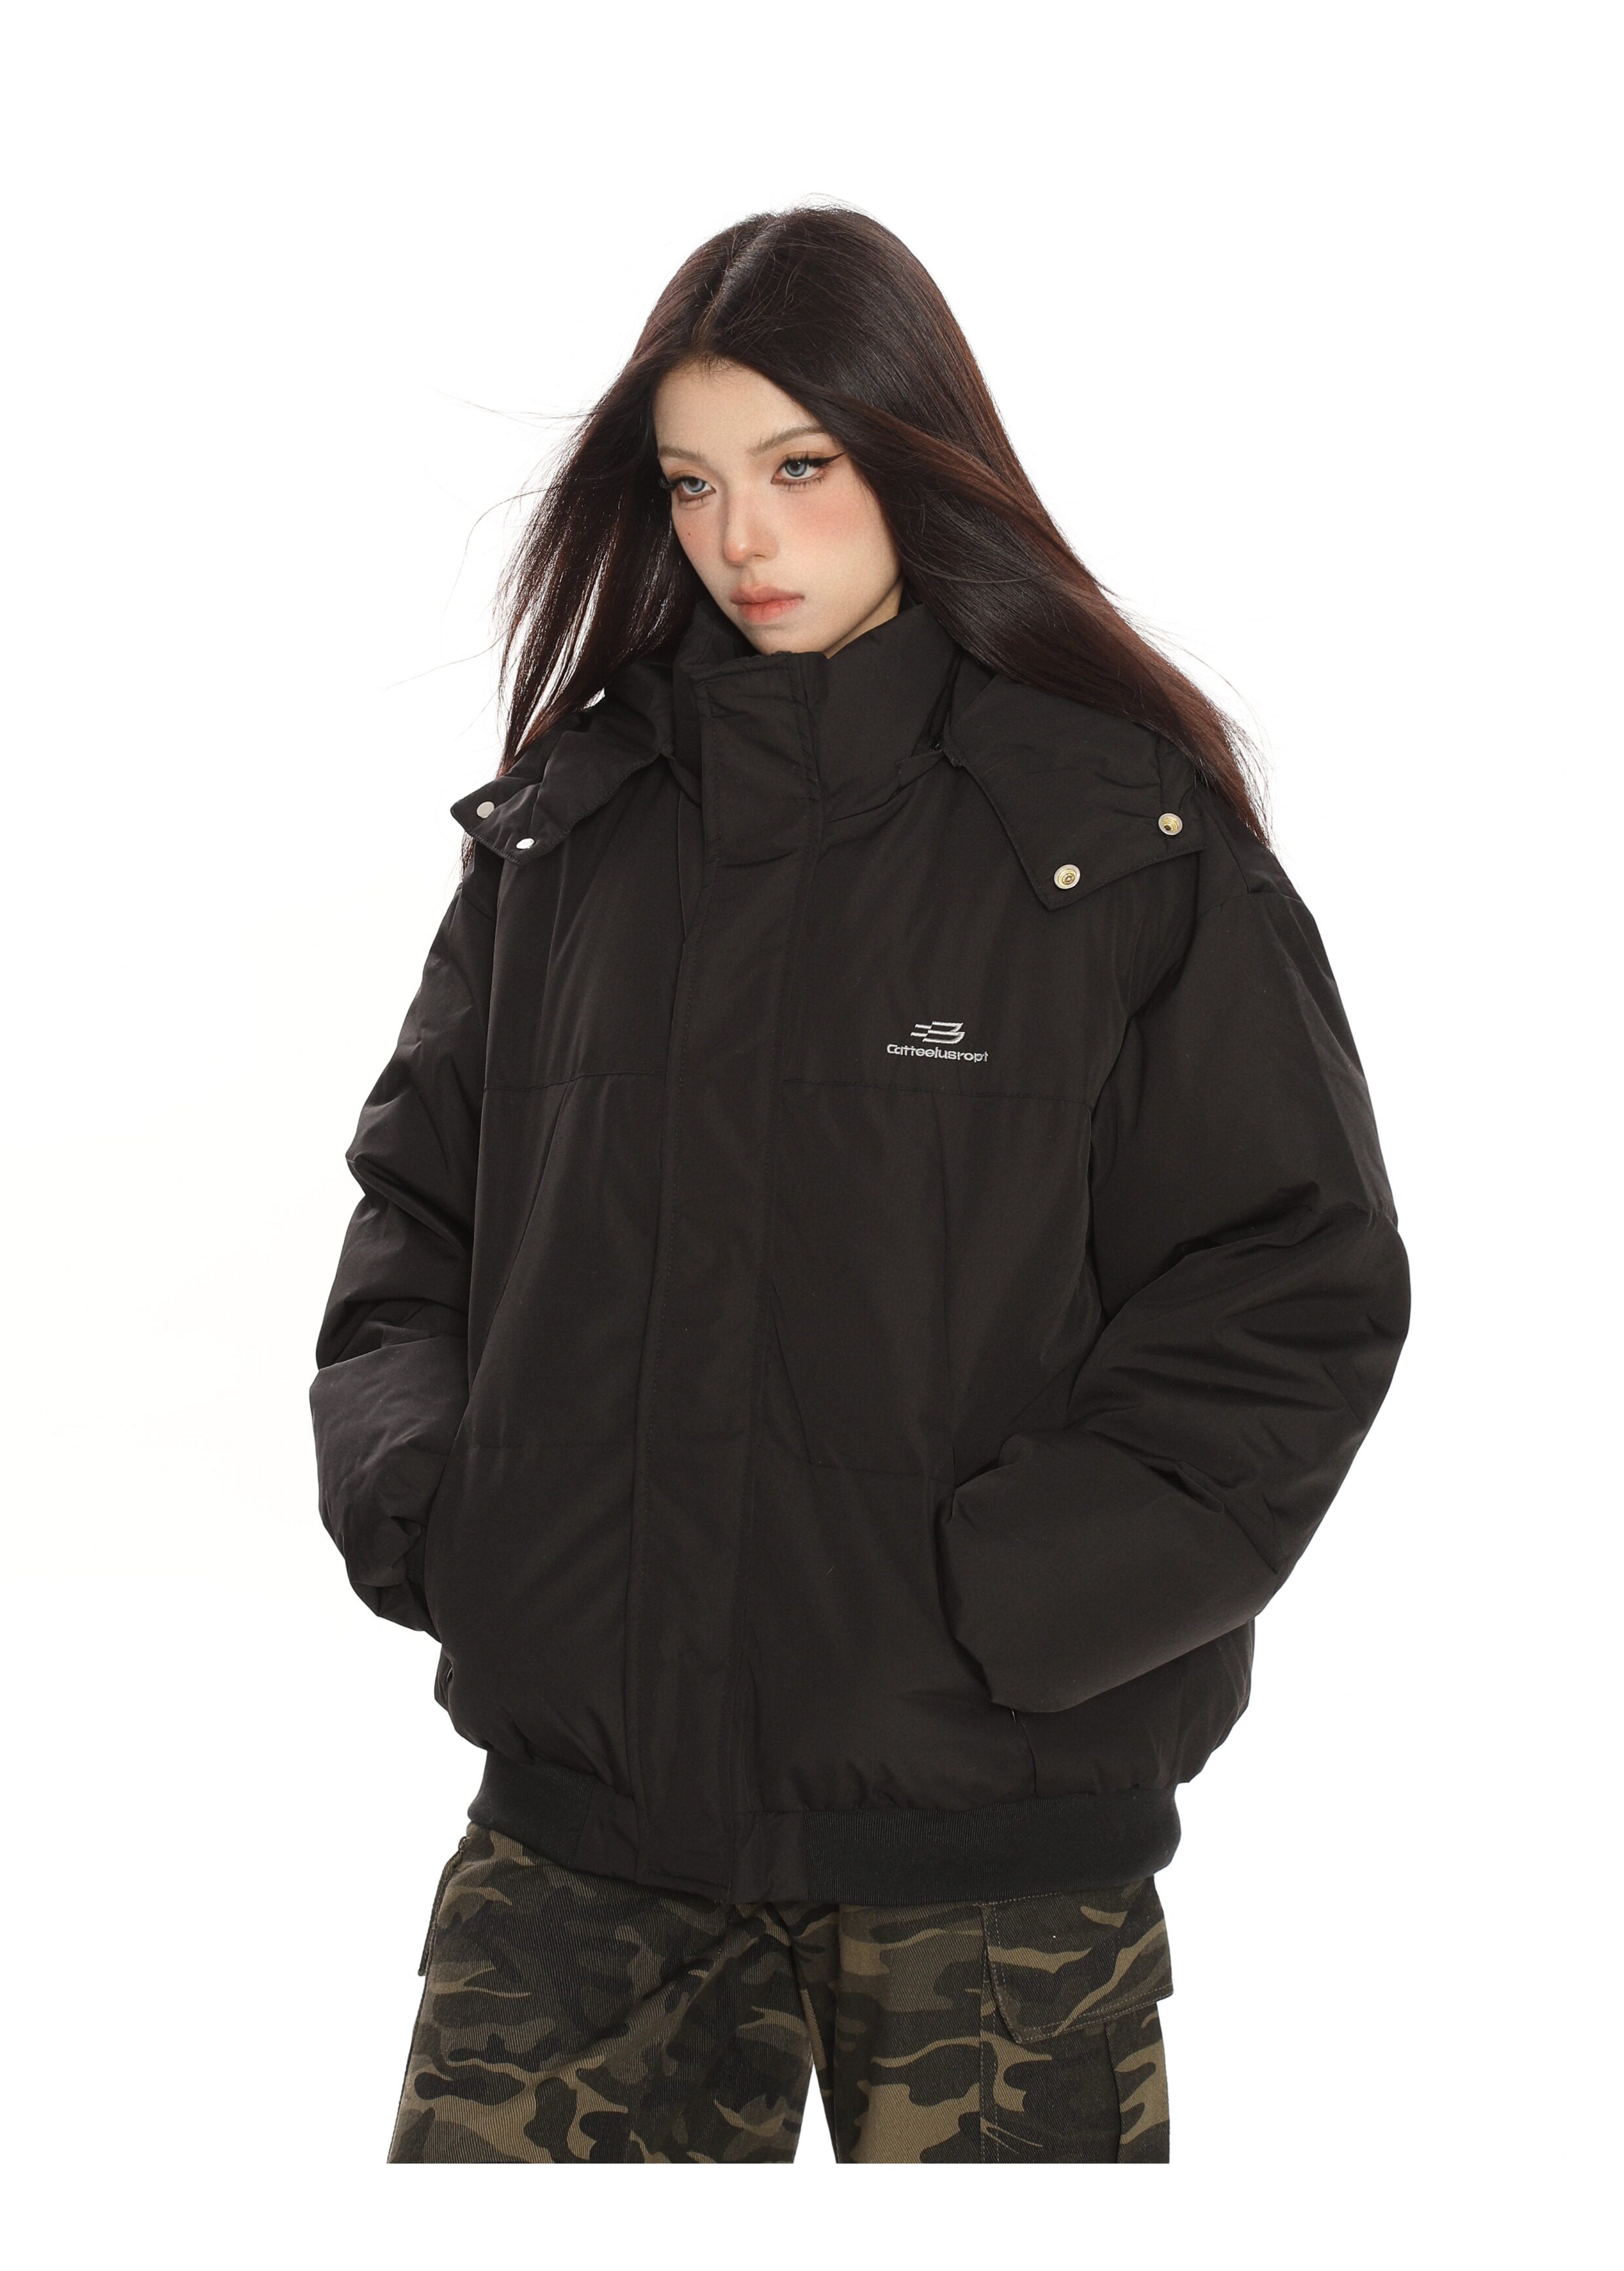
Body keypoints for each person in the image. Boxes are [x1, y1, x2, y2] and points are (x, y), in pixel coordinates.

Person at [310, 204, 1411, 2164]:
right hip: (587, 1842)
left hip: (988, 1851)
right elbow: (419, 1216)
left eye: (800, 467)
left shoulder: (1111, 846)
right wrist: (444, 1505)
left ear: (917, 455)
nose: (744, 537)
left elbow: (1291, 1281)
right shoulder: (575, 835)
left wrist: (1031, 1600)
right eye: (693, 484)